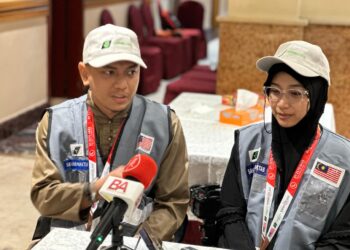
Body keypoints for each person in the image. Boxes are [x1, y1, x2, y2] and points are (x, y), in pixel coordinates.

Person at [30, 24, 189, 245]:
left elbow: (173, 201)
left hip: (134, 241)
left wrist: (142, 239)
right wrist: (96, 189)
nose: (123, 85)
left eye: (131, 72)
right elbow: (43, 196)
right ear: (85, 73)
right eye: (109, 72)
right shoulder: (57, 122)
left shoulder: (164, 123)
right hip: (67, 238)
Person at [217, 40, 350, 250]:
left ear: (316, 96)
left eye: (295, 93)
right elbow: (230, 210)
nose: (281, 103)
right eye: (275, 91)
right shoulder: (247, 142)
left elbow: (342, 239)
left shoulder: (343, 159)